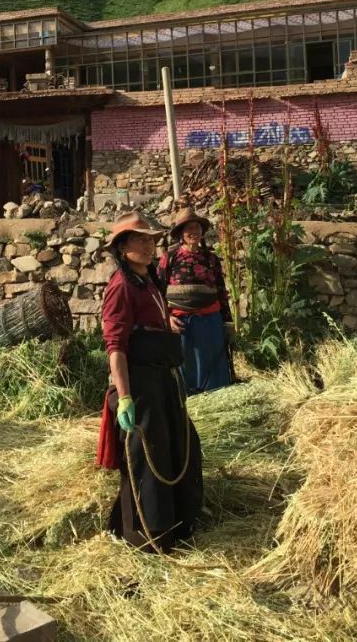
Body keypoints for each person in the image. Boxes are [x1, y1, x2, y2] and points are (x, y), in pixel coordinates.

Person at [95, 211, 203, 553]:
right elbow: (116, 346)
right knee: (147, 460)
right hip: (140, 386)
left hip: (164, 381)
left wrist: (166, 322)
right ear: (122, 247)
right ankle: (148, 536)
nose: (148, 244)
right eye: (140, 239)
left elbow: (151, 317)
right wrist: (124, 397)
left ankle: (179, 524)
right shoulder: (121, 287)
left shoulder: (149, 279)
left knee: (182, 449)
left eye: (151, 238)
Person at [158, 207, 233, 394]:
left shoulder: (210, 258)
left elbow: (221, 290)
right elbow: (158, 291)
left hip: (209, 321)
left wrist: (227, 321)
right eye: (189, 229)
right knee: (185, 365)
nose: (194, 232)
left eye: (197, 228)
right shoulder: (170, 258)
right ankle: (188, 405)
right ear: (181, 234)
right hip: (180, 322)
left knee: (213, 365)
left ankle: (216, 402)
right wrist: (166, 318)